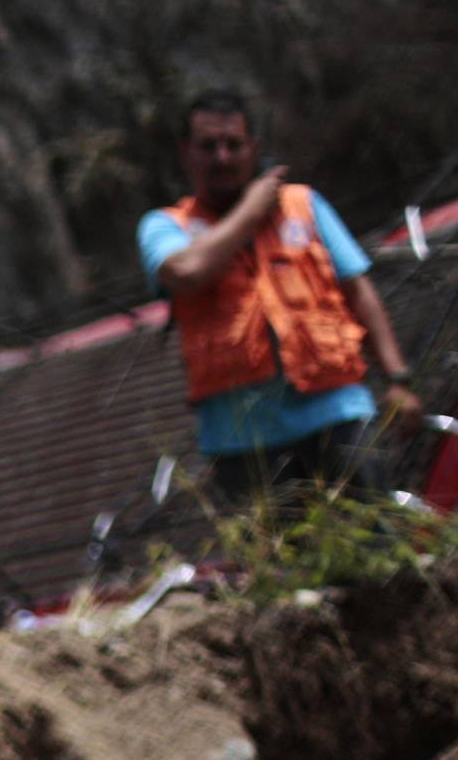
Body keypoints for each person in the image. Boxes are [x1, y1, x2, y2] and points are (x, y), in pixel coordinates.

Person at [144, 90, 428, 504]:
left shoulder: (304, 205)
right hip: (242, 444)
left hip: (339, 414)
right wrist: (252, 211)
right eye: (208, 146)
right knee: (281, 564)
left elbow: (359, 290)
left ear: (253, 149)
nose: (222, 157)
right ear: (186, 152)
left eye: (233, 145)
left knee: (378, 548)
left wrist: (398, 378)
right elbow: (186, 273)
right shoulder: (165, 227)